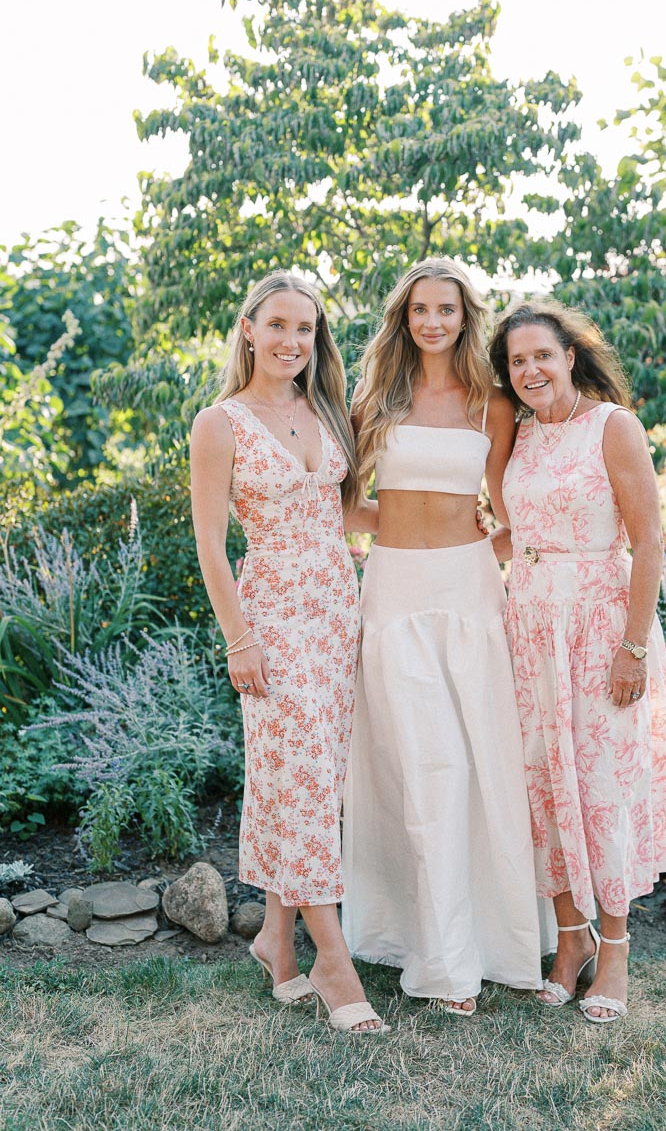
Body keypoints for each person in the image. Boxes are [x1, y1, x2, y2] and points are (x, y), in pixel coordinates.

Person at [341, 258, 546, 1014]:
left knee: (480, 764)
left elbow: (510, 508)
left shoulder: (492, 403)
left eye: (447, 310)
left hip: (470, 592)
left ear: (466, 318)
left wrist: (479, 547)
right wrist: (394, 526)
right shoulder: (373, 399)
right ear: (404, 318)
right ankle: (440, 961)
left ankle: (493, 945)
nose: (433, 321)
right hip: (394, 590)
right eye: (420, 309)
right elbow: (342, 502)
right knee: (425, 769)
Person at [190, 271, 388, 1035]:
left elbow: (348, 514)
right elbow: (210, 545)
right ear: (248, 329)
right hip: (271, 617)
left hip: (338, 613)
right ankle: (332, 960)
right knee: (299, 777)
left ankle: (276, 940)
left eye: (305, 328)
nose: (291, 341)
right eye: (277, 325)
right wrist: (239, 638)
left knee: (309, 781)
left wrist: (447, 526)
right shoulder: (221, 423)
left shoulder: (327, 410)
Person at [488, 298, 666, 1026]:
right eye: (517, 361)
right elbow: (514, 534)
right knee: (544, 786)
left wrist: (633, 646)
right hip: (530, 628)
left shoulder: (613, 426)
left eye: (542, 354)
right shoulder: (520, 435)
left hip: (601, 628)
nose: (531, 370)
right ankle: (570, 941)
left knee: (603, 789)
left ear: (570, 356)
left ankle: (617, 950)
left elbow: (648, 541)